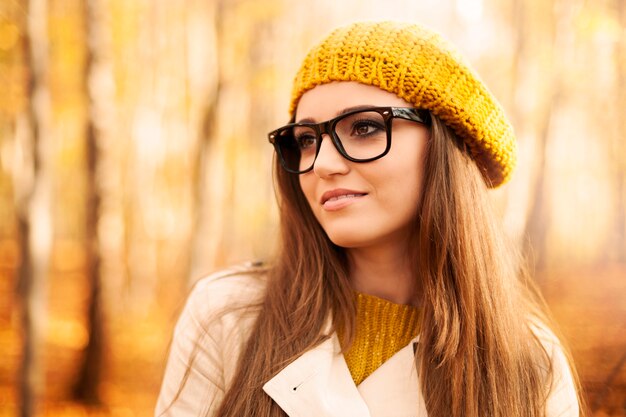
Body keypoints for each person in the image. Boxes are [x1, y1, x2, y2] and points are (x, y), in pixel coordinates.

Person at [155, 21, 582, 417]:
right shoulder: (227, 316)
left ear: (447, 148)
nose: (321, 163)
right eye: (306, 139)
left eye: (363, 127)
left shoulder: (532, 365)